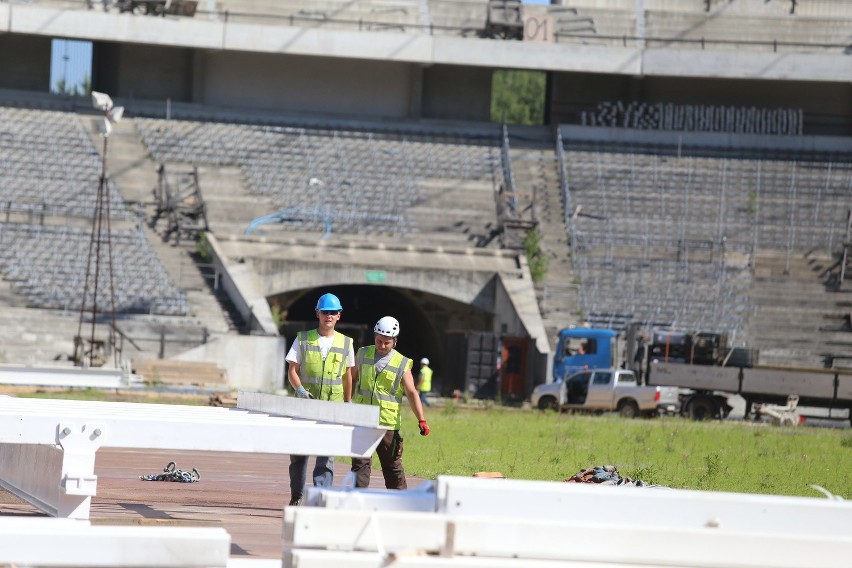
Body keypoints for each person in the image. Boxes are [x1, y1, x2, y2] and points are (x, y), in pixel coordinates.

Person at [285, 292, 354, 506]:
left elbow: (347, 375)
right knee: (299, 454)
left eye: (333, 312)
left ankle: (321, 496)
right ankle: (297, 495)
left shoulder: (346, 343)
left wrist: (347, 401)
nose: (329, 316)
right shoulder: (303, 339)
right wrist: (300, 390)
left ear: (339, 316)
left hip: (332, 407)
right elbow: (292, 370)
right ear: (318, 313)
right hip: (305, 405)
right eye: (325, 312)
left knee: (327, 454)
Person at [351, 316, 430, 489]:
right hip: (362, 420)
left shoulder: (402, 362)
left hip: (387, 424)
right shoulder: (362, 354)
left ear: (395, 341)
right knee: (359, 465)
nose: (382, 345)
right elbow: (351, 378)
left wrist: (421, 419)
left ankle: (400, 503)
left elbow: (411, 392)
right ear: (374, 336)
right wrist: (345, 406)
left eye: (387, 342)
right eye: (379, 341)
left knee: (392, 467)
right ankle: (356, 501)